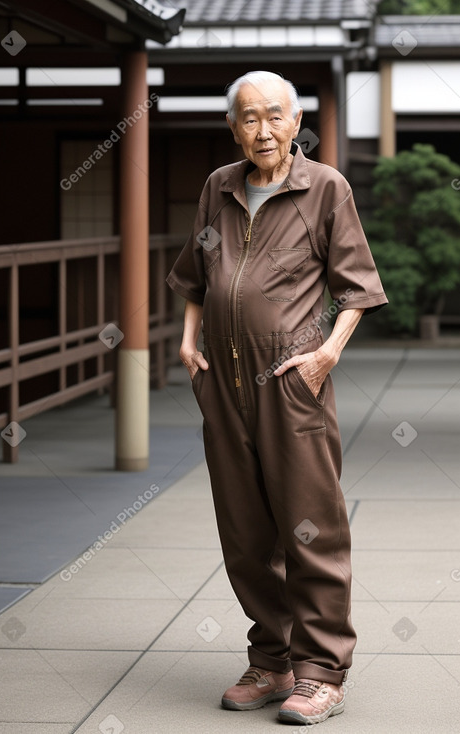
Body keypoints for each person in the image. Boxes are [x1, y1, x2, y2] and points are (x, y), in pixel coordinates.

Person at [166, 70, 387, 726]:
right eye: (247, 118)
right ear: (232, 127)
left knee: (309, 527)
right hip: (222, 381)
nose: (261, 130)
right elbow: (195, 276)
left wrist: (324, 357)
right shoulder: (219, 187)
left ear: (294, 124)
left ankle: (321, 671)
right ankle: (271, 659)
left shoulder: (324, 188)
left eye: (273, 116)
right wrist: (187, 343)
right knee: (243, 529)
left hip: (291, 382)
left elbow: (355, 287)